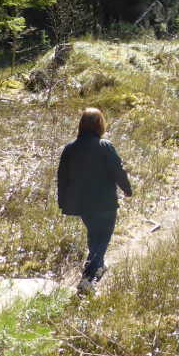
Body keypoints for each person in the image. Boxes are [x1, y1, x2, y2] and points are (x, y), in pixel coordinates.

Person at [57, 107, 133, 293]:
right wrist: (127, 189)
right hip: (105, 202)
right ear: (100, 124)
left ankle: (99, 265)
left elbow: (62, 177)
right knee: (102, 240)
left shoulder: (70, 148)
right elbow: (118, 171)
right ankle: (87, 279)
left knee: (94, 235)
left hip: (83, 204)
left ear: (81, 125)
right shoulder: (104, 146)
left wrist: (63, 201)